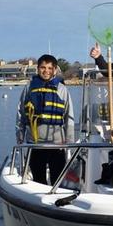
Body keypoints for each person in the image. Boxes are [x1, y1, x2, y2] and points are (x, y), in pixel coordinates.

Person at [16, 54, 75, 185]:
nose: (46, 71)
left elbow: (69, 118)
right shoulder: (29, 88)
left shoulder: (62, 89)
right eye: (43, 67)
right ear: (37, 69)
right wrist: (19, 135)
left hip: (57, 145)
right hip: (35, 145)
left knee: (57, 181)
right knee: (38, 181)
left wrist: (70, 143)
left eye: (49, 68)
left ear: (54, 70)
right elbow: (21, 114)